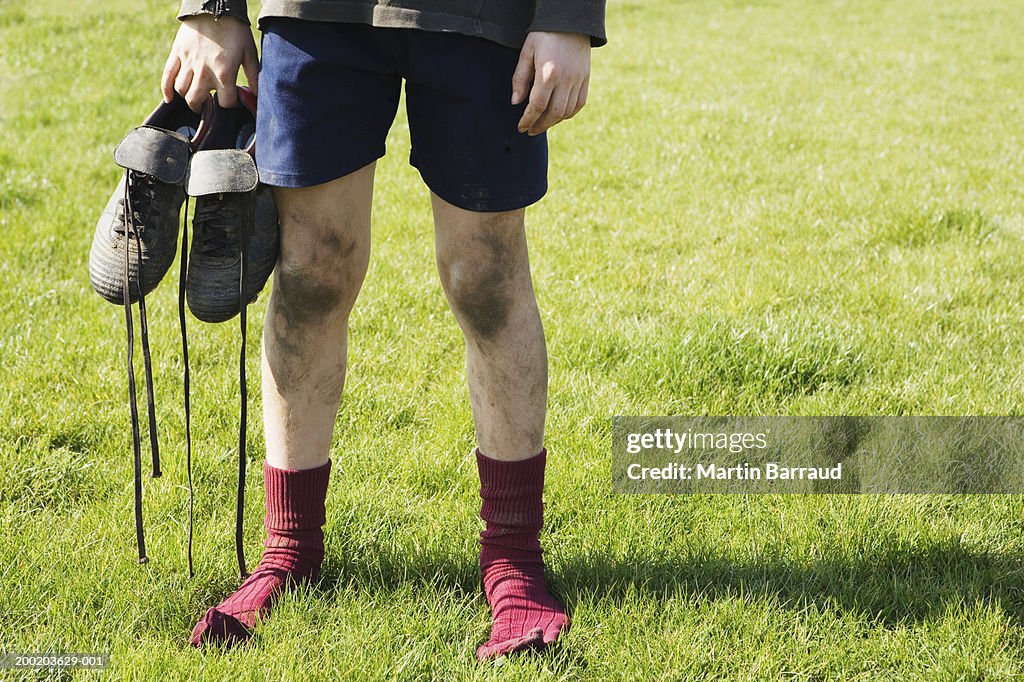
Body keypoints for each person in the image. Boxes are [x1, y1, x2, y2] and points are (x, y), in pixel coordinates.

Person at [165, 0, 606, 660]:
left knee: (485, 275)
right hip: (317, 13)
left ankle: (514, 562)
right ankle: (288, 551)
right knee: (311, 269)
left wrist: (568, 15)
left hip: (486, 14)